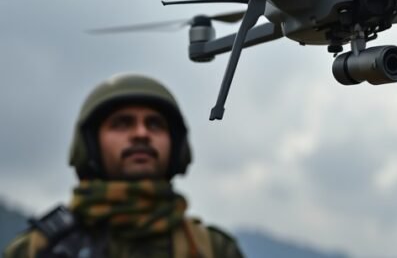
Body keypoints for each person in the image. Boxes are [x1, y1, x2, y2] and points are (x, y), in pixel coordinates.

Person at [3, 73, 244, 258]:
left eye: (155, 124)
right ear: (90, 145)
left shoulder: (214, 249)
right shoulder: (40, 249)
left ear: (176, 146)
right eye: (121, 123)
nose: (141, 133)